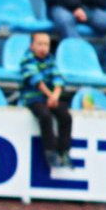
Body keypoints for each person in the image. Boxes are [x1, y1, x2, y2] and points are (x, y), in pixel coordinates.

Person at [20, 32, 72, 168]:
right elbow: (37, 81)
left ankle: (64, 151)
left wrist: (55, 95)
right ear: (32, 46)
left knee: (65, 116)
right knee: (45, 116)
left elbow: (58, 79)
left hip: (50, 98)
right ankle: (50, 151)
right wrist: (51, 95)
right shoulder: (27, 60)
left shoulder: (50, 60)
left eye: (46, 45)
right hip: (33, 98)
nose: (43, 48)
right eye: (40, 44)